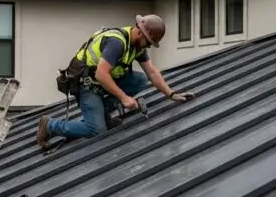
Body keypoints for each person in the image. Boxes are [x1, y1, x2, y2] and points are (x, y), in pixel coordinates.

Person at [37, 14, 193, 148]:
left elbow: (151, 71)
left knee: (139, 80)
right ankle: (50, 125)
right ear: (140, 33)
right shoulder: (116, 43)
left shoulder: (136, 46)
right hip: (87, 85)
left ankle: (103, 115)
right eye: (149, 42)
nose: (148, 47)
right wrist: (124, 98)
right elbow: (101, 74)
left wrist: (171, 94)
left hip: (103, 83)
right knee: (96, 131)